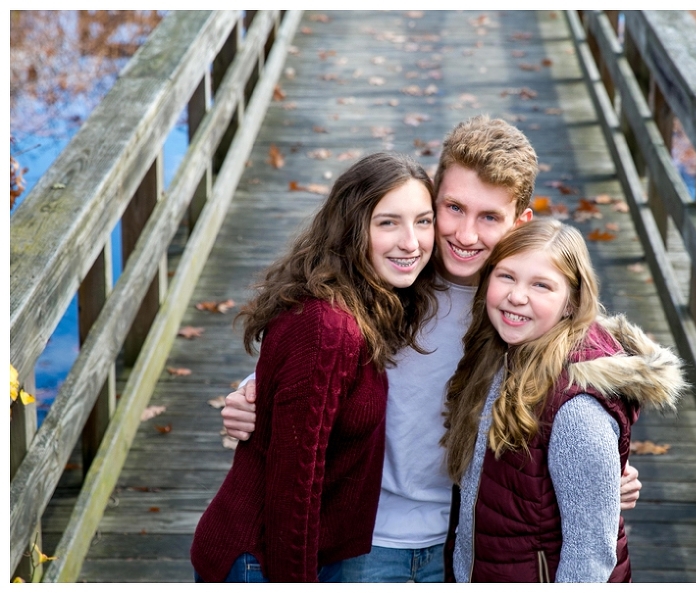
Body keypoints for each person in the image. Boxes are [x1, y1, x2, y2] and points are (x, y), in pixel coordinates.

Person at [220, 116, 643, 582]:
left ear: (520, 222)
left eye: (489, 218)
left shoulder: (518, 306)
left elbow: (574, 378)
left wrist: (607, 467)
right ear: (433, 196)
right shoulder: (393, 275)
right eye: (454, 209)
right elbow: (316, 349)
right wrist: (253, 392)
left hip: (459, 544)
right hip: (363, 539)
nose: (464, 235)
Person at [189, 152, 440, 582]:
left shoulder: (367, 303)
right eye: (388, 223)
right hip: (260, 561)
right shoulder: (329, 328)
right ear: (351, 227)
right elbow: (293, 492)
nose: (412, 242)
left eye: (423, 220)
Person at [443, 219, 686, 582]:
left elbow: (590, 555)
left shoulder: (575, 411)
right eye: (506, 276)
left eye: (541, 285)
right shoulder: (505, 353)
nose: (517, 296)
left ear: (572, 301)